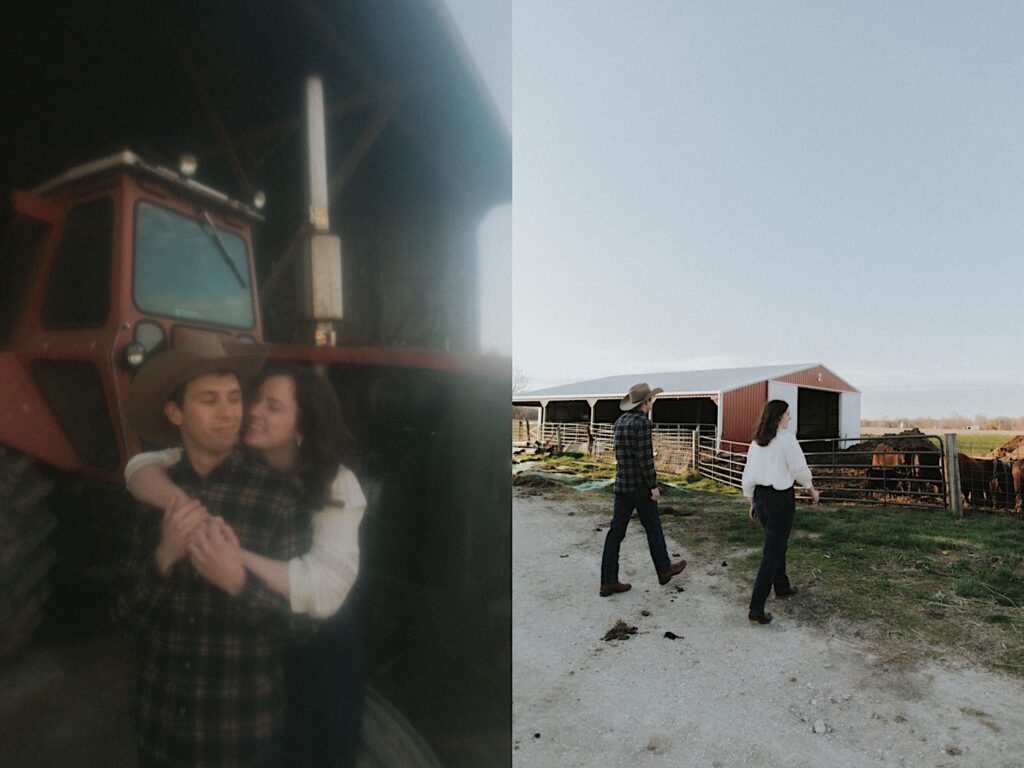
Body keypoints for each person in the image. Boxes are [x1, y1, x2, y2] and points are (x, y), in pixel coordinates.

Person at [124, 361, 366, 768]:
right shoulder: (225, 457)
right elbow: (139, 468)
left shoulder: (335, 485)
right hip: (242, 655)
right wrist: (186, 512)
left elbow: (323, 592)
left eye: (272, 407)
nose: (250, 411)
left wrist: (230, 559)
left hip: (320, 632)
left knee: (314, 746)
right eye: (254, 400)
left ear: (302, 425)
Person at [112, 333, 313, 767]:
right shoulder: (155, 498)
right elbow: (125, 619)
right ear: (175, 412)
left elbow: (301, 633)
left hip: (240, 738)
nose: (229, 413)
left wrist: (238, 584)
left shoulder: (278, 500)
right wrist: (164, 557)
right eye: (208, 400)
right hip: (161, 732)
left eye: (235, 398)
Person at [600, 382, 687, 596]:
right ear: (646, 402)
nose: (651, 404)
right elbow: (645, 460)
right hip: (640, 486)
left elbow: (621, 456)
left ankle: (608, 580)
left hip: (622, 484)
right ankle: (664, 569)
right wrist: (653, 486)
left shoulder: (620, 422)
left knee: (615, 532)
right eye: (651, 400)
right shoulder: (643, 424)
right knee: (653, 527)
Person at [741, 399, 820, 625]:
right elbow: (798, 468)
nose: (790, 418)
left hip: (761, 498)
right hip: (779, 499)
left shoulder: (757, 442)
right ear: (778, 417)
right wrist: (811, 488)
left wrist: (751, 501)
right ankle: (756, 608)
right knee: (772, 551)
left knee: (777, 543)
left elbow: (749, 473)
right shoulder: (785, 439)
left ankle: (782, 586)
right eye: (787, 414)